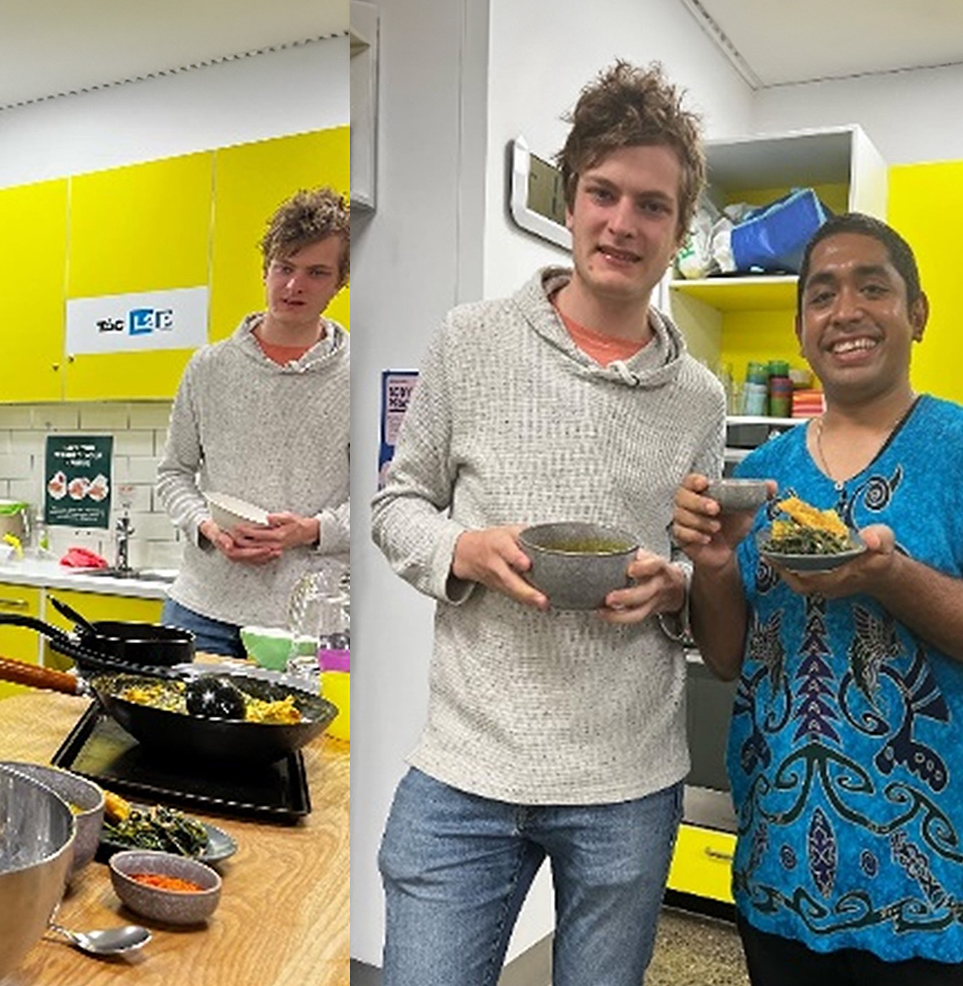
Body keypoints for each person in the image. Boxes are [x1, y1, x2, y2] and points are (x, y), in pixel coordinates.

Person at [369, 60, 726, 986]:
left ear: (679, 232)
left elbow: (699, 565)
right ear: (570, 201)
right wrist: (464, 549)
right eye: (603, 193)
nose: (622, 223)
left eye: (652, 205)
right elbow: (395, 503)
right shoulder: (469, 340)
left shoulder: (698, 397)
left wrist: (676, 587)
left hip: (629, 780)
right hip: (464, 769)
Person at [672, 212, 963, 985]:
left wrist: (893, 577)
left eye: (872, 288)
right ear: (801, 330)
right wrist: (717, 565)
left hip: (934, 895)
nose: (846, 311)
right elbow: (726, 657)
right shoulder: (765, 472)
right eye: (822, 295)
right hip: (780, 881)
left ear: (916, 314)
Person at [154, 186, 350, 658]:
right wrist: (207, 527)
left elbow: (381, 499)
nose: (293, 287)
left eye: (316, 273)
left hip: (311, 621)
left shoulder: (360, 376)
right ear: (265, 270)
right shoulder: (209, 367)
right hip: (202, 611)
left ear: (340, 281)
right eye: (284, 267)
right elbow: (174, 474)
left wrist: (311, 530)